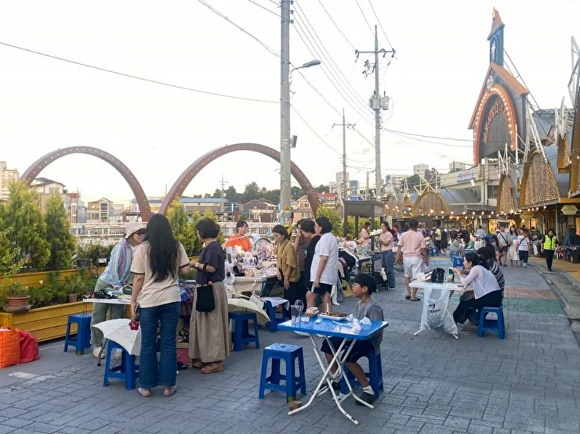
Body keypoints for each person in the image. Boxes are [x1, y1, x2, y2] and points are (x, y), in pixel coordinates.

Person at [130, 214, 191, 397]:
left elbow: (139, 277)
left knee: (148, 343)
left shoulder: (142, 249)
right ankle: (168, 386)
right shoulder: (176, 246)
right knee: (168, 342)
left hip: (149, 301)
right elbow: (186, 270)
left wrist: (133, 301)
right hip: (172, 299)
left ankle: (147, 387)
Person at [320, 273, 384, 405]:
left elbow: (376, 330)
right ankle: (336, 379)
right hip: (356, 337)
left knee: (347, 356)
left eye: (355, 285)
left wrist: (357, 332)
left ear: (365, 289)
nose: (352, 287)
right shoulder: (359, 303)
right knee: (328, 344)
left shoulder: (373, 307)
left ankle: (368, 389)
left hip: (369, 341)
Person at [91, 221, 145, 358]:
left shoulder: (136, 249)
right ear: (130, 234)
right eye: (138, 233)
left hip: (119, 286)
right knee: (99, 315)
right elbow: (114, 272)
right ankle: (96, 346)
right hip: (106, 284)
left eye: (142, 233)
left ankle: (115, 347)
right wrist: (120, 289)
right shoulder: (120, 247)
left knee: (117, 317)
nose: (141, 235)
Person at [189, 218, 230, 374]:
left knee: (212, 325)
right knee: (206, 324)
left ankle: (215, 360)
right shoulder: (213, 246)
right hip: (208, 288)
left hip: (210, 289)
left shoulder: (212, 248)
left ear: (202, 232)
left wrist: (195, 265)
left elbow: (212, 268)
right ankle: (205, 356)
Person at [452, 252, 502, 326]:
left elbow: (465, 282)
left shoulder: (476, 268)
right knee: (466, 298)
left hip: (490, 298)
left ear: (470, 263)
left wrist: (458, 272)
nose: (463, 262)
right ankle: (469, 320)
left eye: (465, 260)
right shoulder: (480, 267)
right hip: (495, 296)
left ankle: (453, 322)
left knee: (464, 303)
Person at [307, 216, 338, 313]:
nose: (314, 228)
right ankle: (328, 317)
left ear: (320, 227)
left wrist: (317, 277)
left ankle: (309, 318)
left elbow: (324, 258)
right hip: (328, 275)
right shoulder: (331, 237)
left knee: (310, 296)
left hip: (322, 276)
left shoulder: (325, 239)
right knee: (326, 298)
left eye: (316, 226)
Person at [395, 218, 428, 302]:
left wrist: (397, 257)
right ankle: (413, 295)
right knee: (416, 277)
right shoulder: (420, 235)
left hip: (406, 258)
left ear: (409, 226)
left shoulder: (403, 235)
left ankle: (408, 293)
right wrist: (426, 258)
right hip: (416, 257)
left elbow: (399, 247)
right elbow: (423, 248)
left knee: (407, 276)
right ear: (417, 226)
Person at [272, 224, 301, 305]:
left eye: (277, 236)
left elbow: (291, 264)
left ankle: (290, 316)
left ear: (283, 235)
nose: (275, 238)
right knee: (284, 296)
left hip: (290, 276)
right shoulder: (279, 244)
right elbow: (278, 259)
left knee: (289, 298)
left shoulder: (289, 246)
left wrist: (286, 278)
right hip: (283, 272)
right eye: (274, 236)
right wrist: (277, 270)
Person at [379, 221, 395, 289]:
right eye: (381, 226)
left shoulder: (388, 234)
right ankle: (384, 282)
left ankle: (392, 284)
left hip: (388, 251)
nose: (382, 228)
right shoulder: (381, 234)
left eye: (383, 226)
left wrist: (381, 241)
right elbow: (381, 243)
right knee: (383, 268)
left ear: (386, 227)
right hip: (383, 251)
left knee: (390, 268)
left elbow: (387, 243)